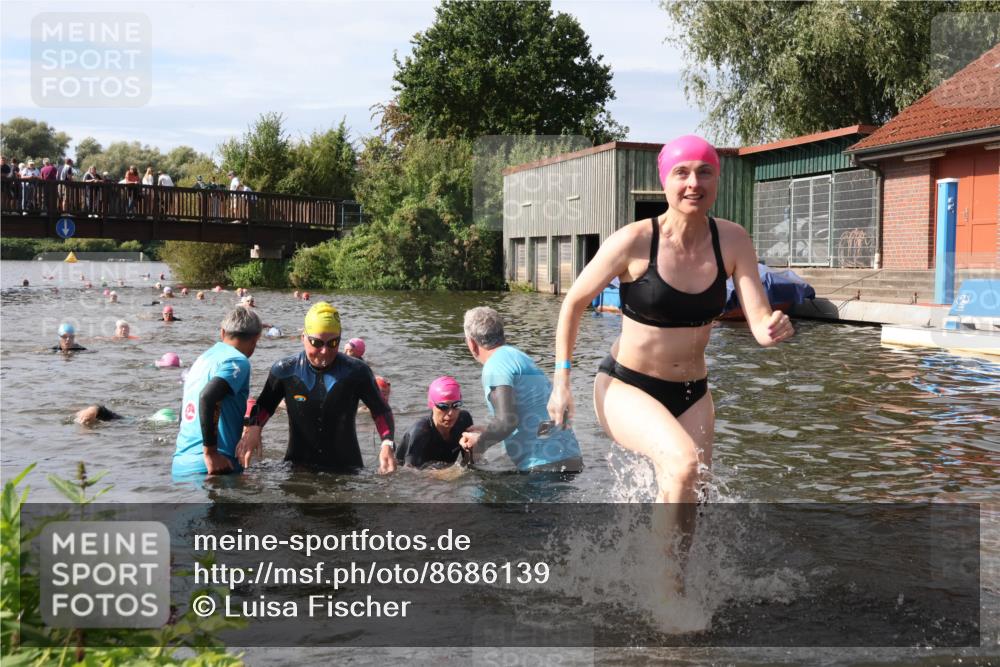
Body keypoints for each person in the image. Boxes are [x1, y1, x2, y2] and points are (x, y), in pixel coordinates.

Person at [546, 135, 795, 562]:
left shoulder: (732, 240)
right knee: (683, 465)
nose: (693, 183)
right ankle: (668, 594)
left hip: (693, 393)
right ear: (664, 181)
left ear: (717, 179)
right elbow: (573, 303)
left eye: (705, 172)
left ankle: (660, 576)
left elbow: (758, 322)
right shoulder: (634, 241)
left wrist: (772, 328)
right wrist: (561, 381)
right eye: (682, 173)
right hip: (627, 386)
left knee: (693, 493)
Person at [235, 302, 396, 473]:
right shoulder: (285, 370)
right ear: (303, 337)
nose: (325, 351)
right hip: (297, 468)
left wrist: (387, 444)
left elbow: (381, 410)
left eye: (333, 343)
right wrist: (254, 428)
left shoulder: (357, 371)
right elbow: (264, 406)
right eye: (316, 342)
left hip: (347, 472)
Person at [458, 307, 583, 472]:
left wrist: (479, 445)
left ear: (471, 343)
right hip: (571, 458)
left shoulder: (494, 366)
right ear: (502, 335)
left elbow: (506, 422)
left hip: (543, 466)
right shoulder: (520, 357)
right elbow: (536, 415)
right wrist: (488, 431)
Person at [171, 306, 263, 477]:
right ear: (256, 339)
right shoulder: (238, 361)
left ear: (222, 333)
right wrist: (210, 453)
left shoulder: (202, 359)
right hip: (214, 467)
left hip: (181, 465)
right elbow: (207, 397)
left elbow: (184, 412)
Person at [396, 377, 473, 469]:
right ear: (432, 405)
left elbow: (470, 463)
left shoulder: (463, 420)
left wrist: (473, 448)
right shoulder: (420, 433)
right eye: (443, 407)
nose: (451, 413)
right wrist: (453, 472)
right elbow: (410, 473)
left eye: (456, 405)